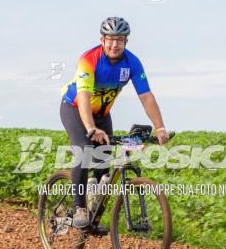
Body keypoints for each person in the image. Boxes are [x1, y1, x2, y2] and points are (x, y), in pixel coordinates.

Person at [59, 17, 169, 229]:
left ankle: (93, 213)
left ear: (126, 42)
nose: (114, 45)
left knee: (104, 165)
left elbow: (146, 96)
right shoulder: (89, 59)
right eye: (110, 39)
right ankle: (80, 208)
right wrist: (91, 128)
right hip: (74, 108)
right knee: (85, 151)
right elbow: (83, 97)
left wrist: (159, 127)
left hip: (102, 113)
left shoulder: (132, 63)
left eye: (119, 40)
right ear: (102, 39)